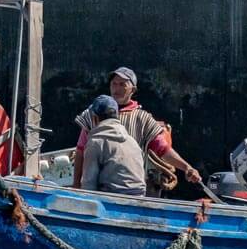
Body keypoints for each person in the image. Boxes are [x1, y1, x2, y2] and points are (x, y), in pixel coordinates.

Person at [70, 66, 201, 194]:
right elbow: (81, 150)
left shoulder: (142, 119)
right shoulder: (93, 113)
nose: (117, 88)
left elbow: (163, 149)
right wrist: (76, 184)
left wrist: (186, 167)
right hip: (102, 190)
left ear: (133, 89)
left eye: (122, 84)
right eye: (114, 84)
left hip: (129, 185)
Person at [78, 95, 147, 196]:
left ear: (95, 118)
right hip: (140, 199)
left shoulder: (95, 143)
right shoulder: (132, 141)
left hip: (111, 201)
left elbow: (88, 186)